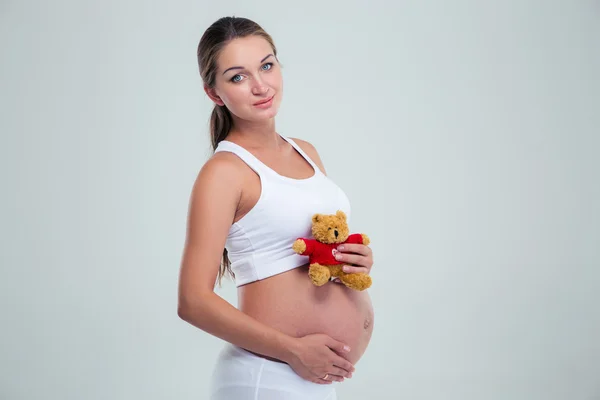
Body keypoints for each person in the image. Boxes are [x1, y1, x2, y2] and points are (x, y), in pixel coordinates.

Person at [177, 16, 375, 400]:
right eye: (237, 76)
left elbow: (311, 252)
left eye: (267, 65)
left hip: (315, 377)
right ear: (214, 93)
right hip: (269, 375)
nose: (260, 85)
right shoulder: (224, 172)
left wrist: (354, 260)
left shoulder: (307, 151)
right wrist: (294, 351)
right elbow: (192, 300)